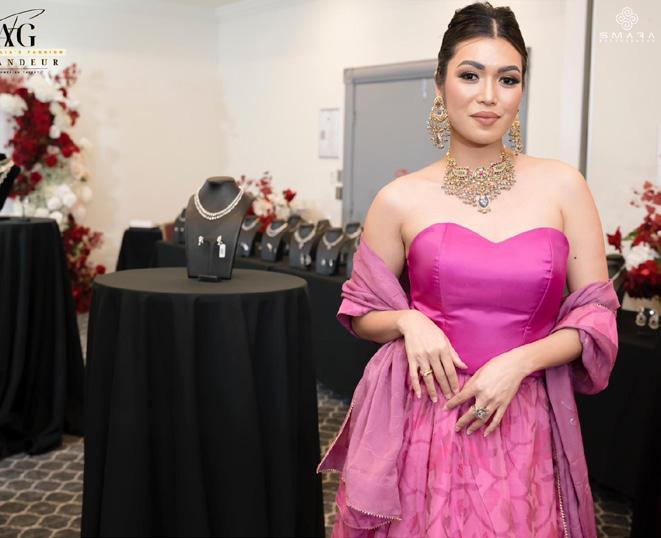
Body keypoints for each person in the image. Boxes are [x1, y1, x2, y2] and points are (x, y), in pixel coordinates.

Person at [323, 2, 618, 537]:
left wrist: (520, 362)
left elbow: (596, 315)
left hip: (522, 415)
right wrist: (408, 321)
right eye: (470, 75)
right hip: (426, 419)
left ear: (521, 90)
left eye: (507, 79)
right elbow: (361, 312)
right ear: (440, 85)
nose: (488, 96)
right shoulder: (400, 198)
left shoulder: (563, 187)